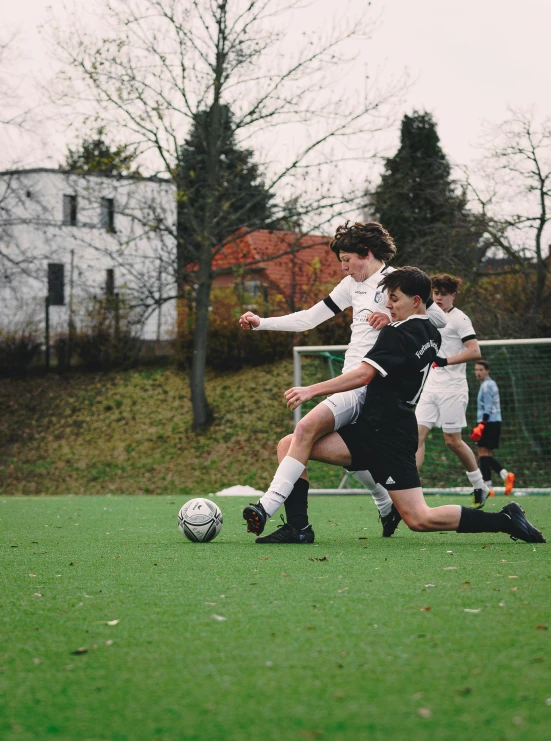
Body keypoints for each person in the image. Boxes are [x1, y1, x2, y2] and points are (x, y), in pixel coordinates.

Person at [243, 267, 545, 546]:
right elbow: (430, 319)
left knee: (419, 519)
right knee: (293, 443)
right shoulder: (430, 332)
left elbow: (364, 375)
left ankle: (505, 519)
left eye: (394, 299)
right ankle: (299, 528)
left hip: (387, 436)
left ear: (415, 301)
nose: (387, 305)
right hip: (380, 430)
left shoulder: (396, 334)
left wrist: (311, 389)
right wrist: (394, 319)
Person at [239, 221, 446, 539]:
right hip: (350, 382)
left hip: (363, 385)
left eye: (347, 260)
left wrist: (392, 317)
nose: (344, 267)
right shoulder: (352, 286)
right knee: (303, 446)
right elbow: (309, 317)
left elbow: (439, 318)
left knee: (304, 429)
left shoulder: (396, 283)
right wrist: (261, 322)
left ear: (365, 254)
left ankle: (266, 508)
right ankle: (382, 505)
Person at [415, 274, 488, 508]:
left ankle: (479, 484)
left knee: (452, 442)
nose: (438, 298)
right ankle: (409, 490)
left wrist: (446, 361)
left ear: (452, 296)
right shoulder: (427, 317)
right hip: (429, 388)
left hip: (453, 389)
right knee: (415, 438)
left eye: (443, 294)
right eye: (435, 293)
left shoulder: (460, 319)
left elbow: (475, 351)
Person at [472, 359, 515, 496]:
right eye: (476, 370)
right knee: (487, 454)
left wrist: (482, 424)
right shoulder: (491, 384)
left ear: (487, 371)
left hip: (488, 422)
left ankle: (501, 478)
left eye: (481, 370)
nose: (478, 372)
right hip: (495, 421)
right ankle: (490, 486)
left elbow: (488, 406)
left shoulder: (486, 386)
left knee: (482, 454)